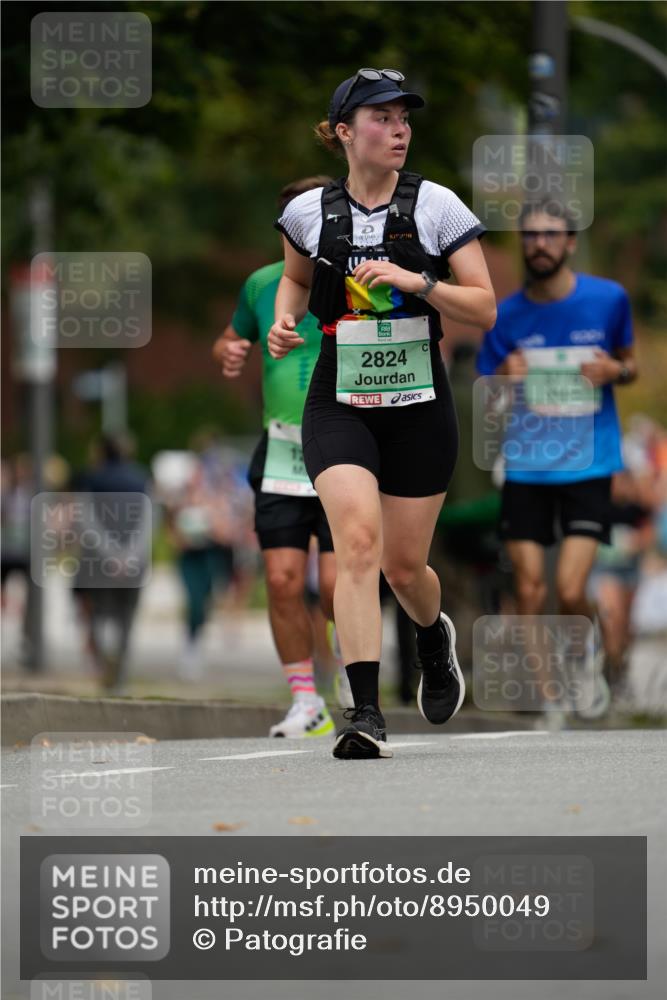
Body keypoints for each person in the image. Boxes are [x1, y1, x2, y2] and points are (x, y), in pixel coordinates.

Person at [269, 68, 495, 759]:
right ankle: (363, 714)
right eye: (381, 118)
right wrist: (283, 319)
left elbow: (484, 306)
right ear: (344, 132)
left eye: (404, 118)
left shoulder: (435, 206)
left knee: (403, 568)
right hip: (339, 398)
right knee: (356, 547)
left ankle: (432, 636)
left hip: (419, 401)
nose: (398, 129)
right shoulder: (309, 215)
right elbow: (295, 279)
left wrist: (416, 281)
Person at [476, 201, 638, 717]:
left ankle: (585, 659)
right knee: (529, 585)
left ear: (570, 242)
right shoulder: (504, 316)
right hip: (525, 465)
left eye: (550, 235)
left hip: (589, 463)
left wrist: (615, 370)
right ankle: (549, 696)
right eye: (530, 236)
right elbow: (488, 402)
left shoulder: (609, 300)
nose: (538, 244)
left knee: (570, 589)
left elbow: (630, 366)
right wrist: (503, 377)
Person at [213, 177, 353, 740]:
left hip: (344, 447)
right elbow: (231, 336)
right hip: (282, 450)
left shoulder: (360, 279)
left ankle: (353, 677)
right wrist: (228, 349)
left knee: (339, 584)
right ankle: (305, 702)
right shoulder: (261, 285)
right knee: (283, 578)